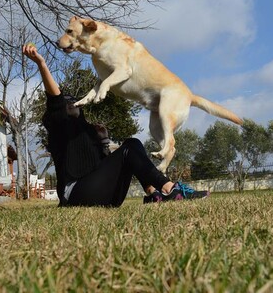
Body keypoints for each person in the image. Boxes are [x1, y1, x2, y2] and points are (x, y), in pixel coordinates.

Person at [22, 43, 210, 207]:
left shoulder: (87, 130)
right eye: (66, 101)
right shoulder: (59, 126)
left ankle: (154, 194)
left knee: (132, 144)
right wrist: (41, 63)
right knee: (129, 148)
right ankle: (170, 189)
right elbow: (55, 99)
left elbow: (104, 167)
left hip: (105, 195)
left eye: (73, 99)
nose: (70, 102)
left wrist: (103, 142)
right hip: (75, 193)